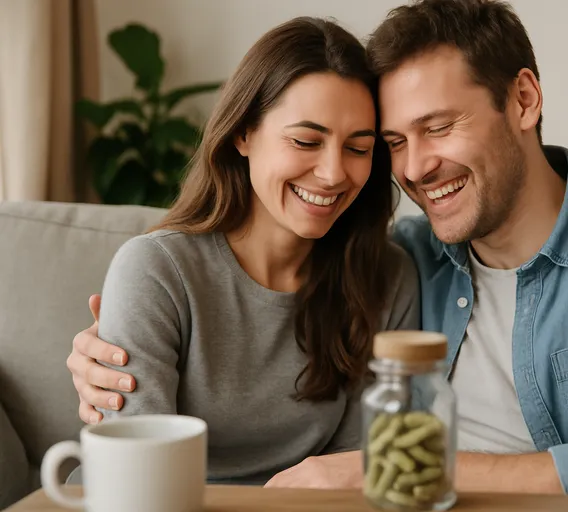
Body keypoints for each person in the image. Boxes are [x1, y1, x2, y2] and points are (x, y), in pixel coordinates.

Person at [67, 1, 568, 510]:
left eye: (438, 127)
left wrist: (384, 468)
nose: (415, 167)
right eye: (394, 143)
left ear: (522, 100)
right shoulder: (407, 258)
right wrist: (105, 355)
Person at [65, 16, 420, 485]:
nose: (334, 173)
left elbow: (355, 470)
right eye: (305, 141)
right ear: (243, 133)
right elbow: (138, 475)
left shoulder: (387, 277)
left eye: (359, 148)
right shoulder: (156, 271)